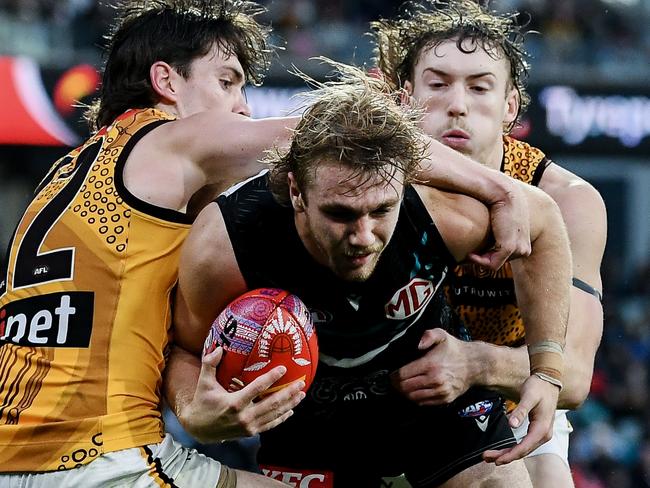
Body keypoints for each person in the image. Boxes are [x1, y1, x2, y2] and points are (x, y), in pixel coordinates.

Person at [0, 0, 551, 486]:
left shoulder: (70, 175)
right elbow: (347, 136)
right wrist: (499, 189)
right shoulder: (167, 138)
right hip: (101, 456)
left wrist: (192, 404)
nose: (241, 106)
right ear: (166, 82)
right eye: (227, 81)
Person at [166, 63, 572, 487]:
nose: (363, 236)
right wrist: (193, 410)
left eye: (381, 210)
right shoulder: (227, 242)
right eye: (339, 214)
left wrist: (546, 370)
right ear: (295, 192)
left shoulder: (442, 211)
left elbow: (543, 218)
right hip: (308, 413)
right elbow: (187, 350)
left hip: (435, 394)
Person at [370, 1, 607, 486]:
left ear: (510, 107)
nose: (457, 103)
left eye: (480, 87)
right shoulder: (368, 183)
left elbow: (575, 375)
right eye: (437, 84)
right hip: (383, 387)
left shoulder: (567, 200)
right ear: (403, 100)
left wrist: (473, 362)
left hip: (514, 386)